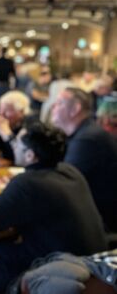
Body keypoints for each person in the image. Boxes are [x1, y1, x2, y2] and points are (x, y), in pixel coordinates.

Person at [0, 120, 107, 293]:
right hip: (93, 272)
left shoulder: (27, 184)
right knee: (1, 245)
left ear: (30, 156)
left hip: (52, 277)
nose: (12, 145)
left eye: (16, 143)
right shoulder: (70, 171)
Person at [51, 87, 117, 232]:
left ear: (75, 109)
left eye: (59, 103)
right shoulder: (84, 133)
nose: (53, 107)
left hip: (100, 223)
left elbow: (62, 184)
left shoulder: (88, 139)